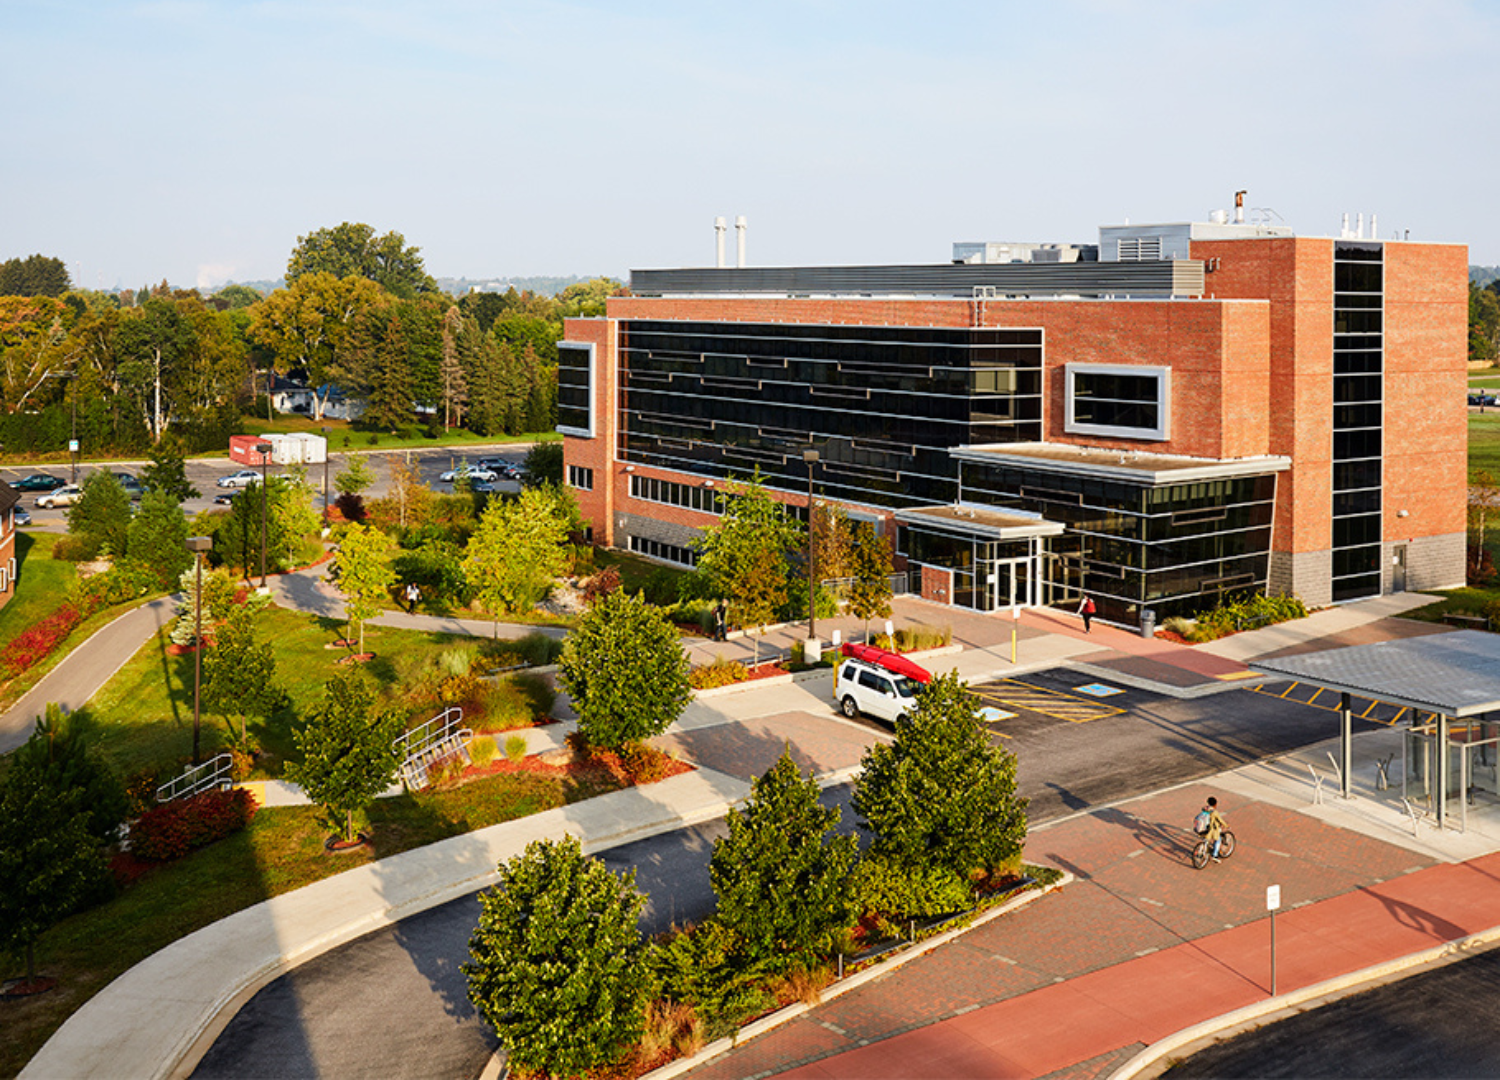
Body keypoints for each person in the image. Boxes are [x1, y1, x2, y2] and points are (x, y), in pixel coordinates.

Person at [1195, 796, 1228, 861]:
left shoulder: (1205, 809)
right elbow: (1220, 820)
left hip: (1203, 827)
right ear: (1215, 804)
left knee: (1206, 838)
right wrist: (1226, 825)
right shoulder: (1215, 812)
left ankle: (1201, 850)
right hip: (1211, 829)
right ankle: (1215, 855)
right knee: (1218, 839)